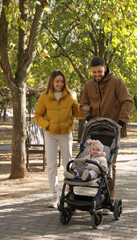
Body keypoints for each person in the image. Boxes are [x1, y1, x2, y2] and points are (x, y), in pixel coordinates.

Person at [80, 56, 133, 204]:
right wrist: (89, 118)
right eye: (94, 72)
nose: (96, 75)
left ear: (105, 68)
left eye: (99, 71)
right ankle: (97, 195)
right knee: (91, 162)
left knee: (109, 164)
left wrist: (121, 122)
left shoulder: (117, 82)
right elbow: (83, 103)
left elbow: (127, 102)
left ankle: (109, 198)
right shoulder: (88, 85)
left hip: (112, 130)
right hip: (95, 130)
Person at [35, 70, 84, 208]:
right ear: (52, 82)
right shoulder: (44, 97)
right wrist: (47, 125)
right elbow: (38, 115)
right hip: (50, 134)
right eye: (57, 81)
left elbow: (77, 113)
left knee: (68, 164)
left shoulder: (70, 96)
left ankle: (69, 192)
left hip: (66, 134)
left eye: (62, 81)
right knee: (51, 165)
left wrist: (87, 109)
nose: (60, 84)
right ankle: (54, 196)